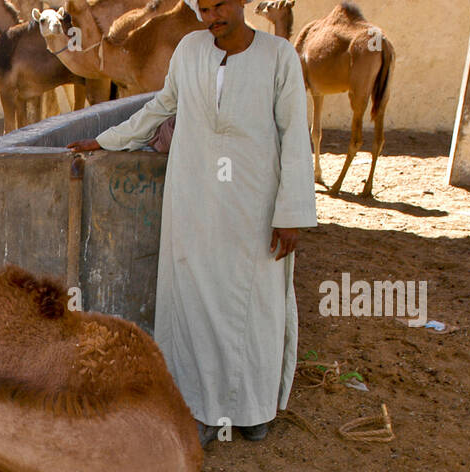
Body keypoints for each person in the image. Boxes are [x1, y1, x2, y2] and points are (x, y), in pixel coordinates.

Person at [68, 0, 316, 445]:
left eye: (220, 5)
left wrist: (291, 213)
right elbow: (162, 107)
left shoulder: (280, 57)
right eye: (203, 8)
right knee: (194, 304)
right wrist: (106, 139)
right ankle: (198, 411)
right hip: (194, 198)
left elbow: (295, 136)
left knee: (255, 302)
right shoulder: (189, 49)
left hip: (254, 203)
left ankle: (252, 408)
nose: (212, 16)